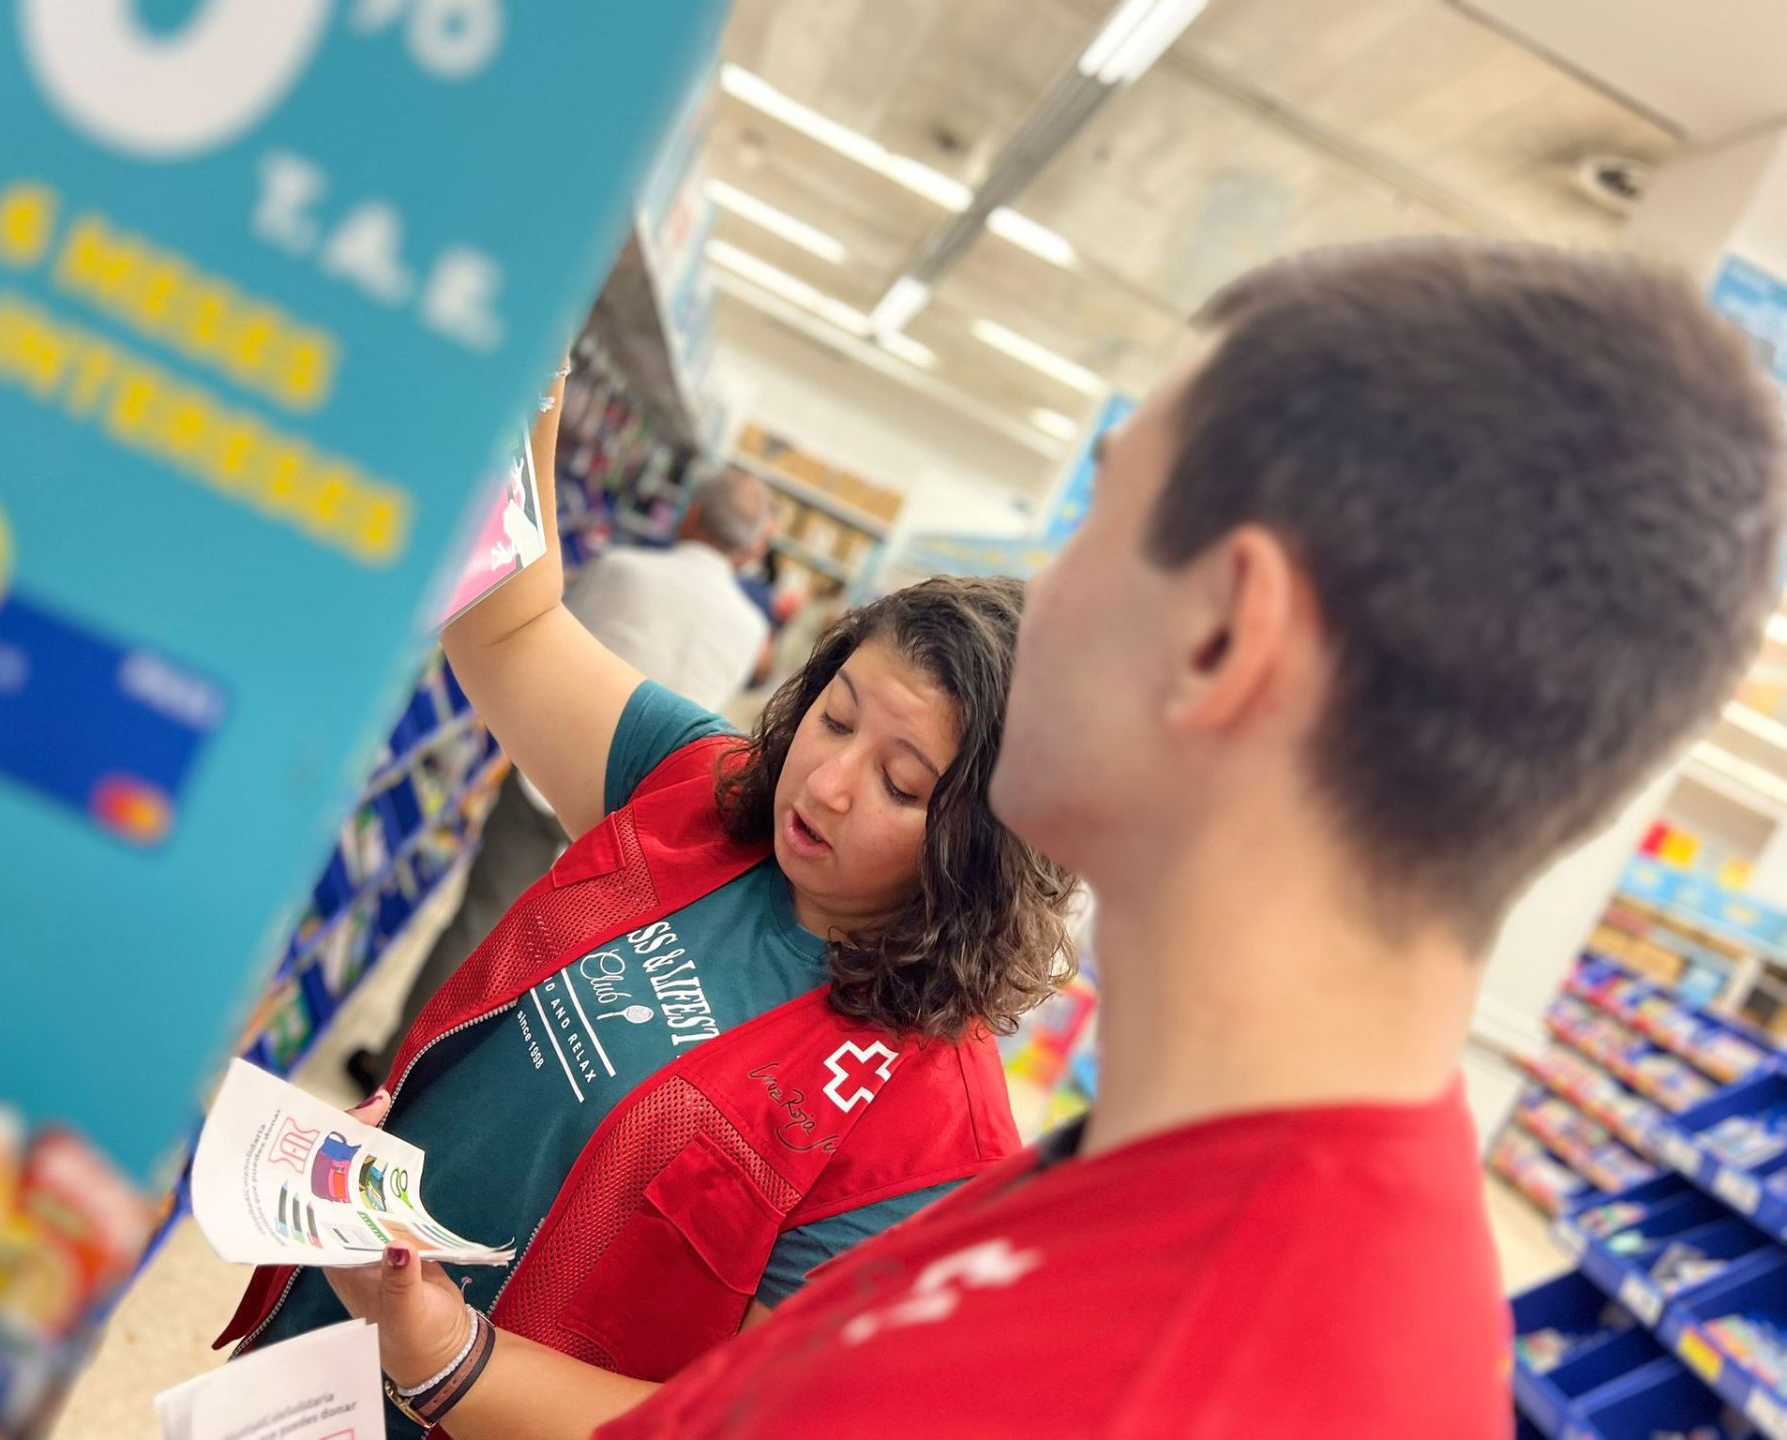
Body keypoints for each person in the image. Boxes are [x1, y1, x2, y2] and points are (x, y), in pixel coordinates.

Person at [337, 238, 1786, 1438]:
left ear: (1221, 637)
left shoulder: (1140, 1374)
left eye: (1101, 518)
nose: (1040, 589)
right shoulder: (1202, 1219)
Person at [216, 369, 1077, 1439]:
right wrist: (532, 384)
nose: (828, 782)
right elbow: (511, 628)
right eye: (836, 717)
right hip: (304, 1371)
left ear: (986, 847)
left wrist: (443, 1359)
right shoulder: (700, 791)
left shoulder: (933, 1133)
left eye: (903, 786)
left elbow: (742, 1421)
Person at [345, 469, 780, 1093]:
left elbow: (538, 635)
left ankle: (390, 1072)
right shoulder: (749, 628)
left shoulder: (627, 570)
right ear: (747, 548)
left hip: (551, 767)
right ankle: (450, 1089)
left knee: (481, 918)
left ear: (690, 518)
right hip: (644, 814)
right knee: (558, 963)